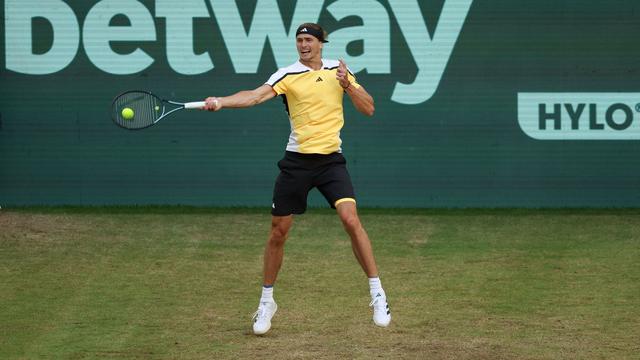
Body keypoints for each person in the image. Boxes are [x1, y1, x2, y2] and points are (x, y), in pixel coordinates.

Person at [202, 23, 390, 335]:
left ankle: (377, 293)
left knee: (350, 219)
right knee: (278, 232)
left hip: (331, 162)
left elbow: (368, 108)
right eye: (299, 40)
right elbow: (254, 96)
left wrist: (348, 85)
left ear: (321, 43)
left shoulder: (339, 71)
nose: (303, 45)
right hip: (297, 163)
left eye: (309, 40)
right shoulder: (287, 75)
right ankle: (266, 302)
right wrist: (221, 101)